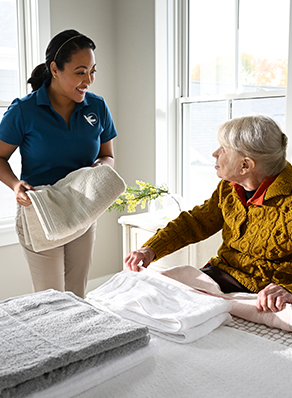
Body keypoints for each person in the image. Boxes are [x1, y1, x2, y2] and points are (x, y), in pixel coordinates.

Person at [125, 115, 292, 313]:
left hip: (267, 294)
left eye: (223, 149)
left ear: (245, 165)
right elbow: (195, 222)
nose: (214, 153)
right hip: (222, 276)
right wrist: (150, 249)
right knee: (147, 298)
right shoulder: (229, 188)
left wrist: (289, 291)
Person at [0, 29, 117, 298]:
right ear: (55, 69)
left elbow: (107, 155)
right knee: (50, 298)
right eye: (80, 72)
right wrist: (16, 186)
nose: (88, 80)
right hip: (40, 210)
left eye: (92, 71)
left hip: (82, 209)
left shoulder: (97, 107)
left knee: (77, 295)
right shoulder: (23, 111)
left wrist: (102, 169)